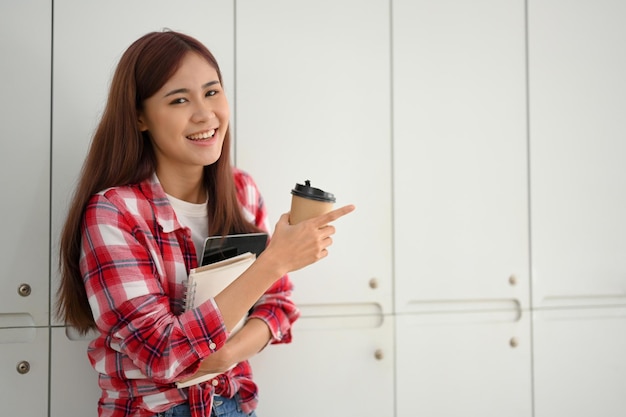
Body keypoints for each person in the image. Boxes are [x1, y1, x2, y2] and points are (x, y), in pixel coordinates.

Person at [56, 30, 354, 417]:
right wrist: (274, 261)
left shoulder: (240, 190)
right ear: (139, 117)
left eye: (212, 92)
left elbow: (277, 306)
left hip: (231, 405)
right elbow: (162, 354)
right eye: (179, 99)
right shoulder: (115, 213)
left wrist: (226, 353)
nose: (204, 114)